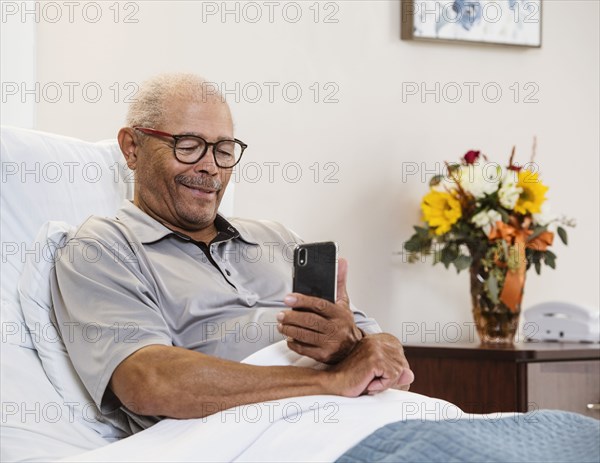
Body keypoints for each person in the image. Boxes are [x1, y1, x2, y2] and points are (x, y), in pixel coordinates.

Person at [50, 73, 414, 435]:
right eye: (188, 145)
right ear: (132, 147)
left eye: (223, 151)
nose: (210, 167)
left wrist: (357, 344)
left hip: (374, 416)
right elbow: (149, 380)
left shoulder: (276, 237)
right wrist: (331, 381)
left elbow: (380, 352)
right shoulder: (101, 248)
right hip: (265, 434)